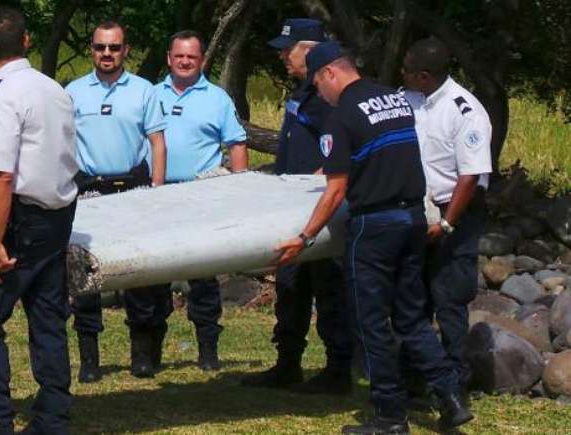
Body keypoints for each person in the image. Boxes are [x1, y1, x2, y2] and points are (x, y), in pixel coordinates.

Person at [275, 41, 473, 433]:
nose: (321, 95)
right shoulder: (396, 100)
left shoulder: (342, 115)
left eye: (318, 85)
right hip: (413, 220)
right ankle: (450, 397)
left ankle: (389, 417)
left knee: (371, 324)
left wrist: (305, 236)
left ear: (330, 73)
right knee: (412, 317)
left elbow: (335, 191)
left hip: (374, 227)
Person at [0, 6, 78, 435]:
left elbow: (1, 175)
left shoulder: (0, 95)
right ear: (27, 42)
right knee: (47, 316)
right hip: (58, 215)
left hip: (21, 221)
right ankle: (52, 416)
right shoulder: (55, 89)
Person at [240, 18, 353, 395]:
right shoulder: (303, 92)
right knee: (291, 289)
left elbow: (340, 152)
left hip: (318, 209)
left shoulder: (327, 98)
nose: (282, 56)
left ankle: (337, 370)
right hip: (290, 210)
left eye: (288, 49)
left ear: (310, 50)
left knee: (328, 289)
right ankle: (287, 363)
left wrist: (314, 187)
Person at [65, 21, 169, 382]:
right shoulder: (73, 92)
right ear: (91, 50)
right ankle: (90, 360)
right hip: (90, 190)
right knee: (86, 276)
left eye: (114, 48)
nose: (106, 54)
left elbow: (157, 142)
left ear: (125, 50)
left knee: (138, 273)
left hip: (134, 189)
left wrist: (157, 187)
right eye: (99, 47)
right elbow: (62, 144)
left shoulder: (144, 91)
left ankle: (140, 355)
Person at [153, 30, 248, 371]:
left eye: (192, 56)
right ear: (169, 58)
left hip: (201, 196)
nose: (184, 61)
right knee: (153, 276)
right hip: (158, 195)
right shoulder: (151, 94)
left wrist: (239, 192)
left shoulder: (218, 99)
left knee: (204, 280)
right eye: (179, 55)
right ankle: (149, 353)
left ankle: (208, 350)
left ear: (202, 60)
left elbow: (237, 145)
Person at [401, 37, 492, 394]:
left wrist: (447, 223)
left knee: (449, 299)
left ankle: (454, 381)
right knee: (413, 297)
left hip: (454, 212)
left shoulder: (464, 110)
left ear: (425, 75)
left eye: (407, 70)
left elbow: (469, 177)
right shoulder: (407, 99)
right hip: (415, 209)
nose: (401, 74)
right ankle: (414, 376)